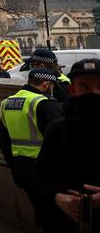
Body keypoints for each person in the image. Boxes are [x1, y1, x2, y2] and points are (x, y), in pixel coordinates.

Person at [37, 58, 100, 232]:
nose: (94, 93)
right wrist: (57, 197)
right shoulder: (57, 129)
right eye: (85, 87)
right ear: (72, 89)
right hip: (66, 222)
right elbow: (41, 176)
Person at [0, 68, 63, 231]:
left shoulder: (7, 102)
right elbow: (60, 140)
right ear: (47, 84)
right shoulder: (43, 104)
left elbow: (2, 139)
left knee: (41, 210)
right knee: (55, 217)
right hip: (44, 171)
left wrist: (13, 167)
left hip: (21, 168)